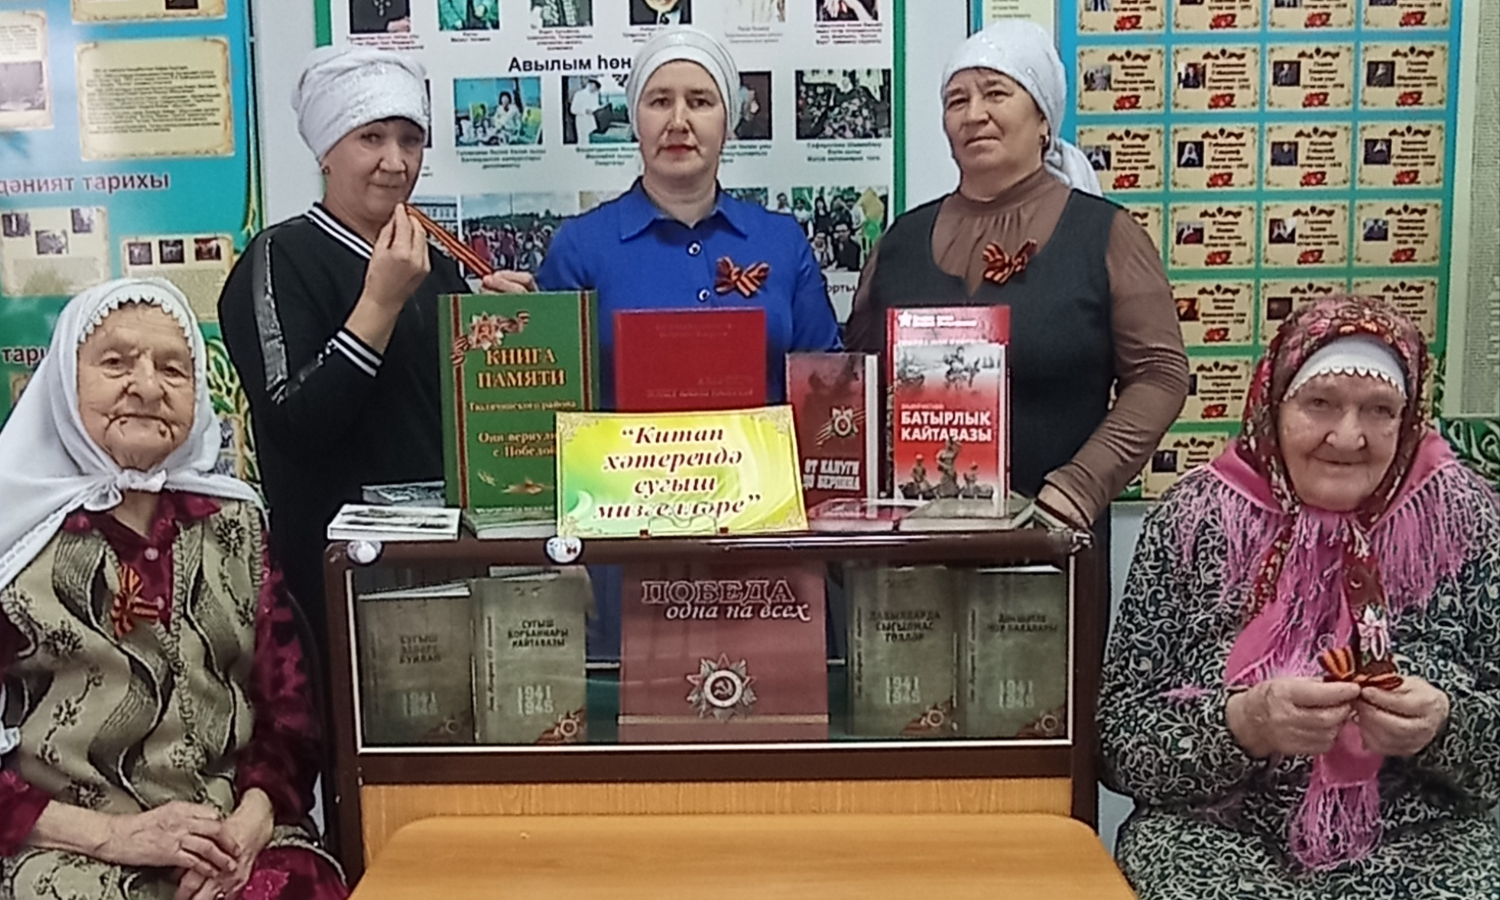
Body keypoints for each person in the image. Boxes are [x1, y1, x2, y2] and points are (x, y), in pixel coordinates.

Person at [0, 278, 345, 899]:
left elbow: (290, 722)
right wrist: (120, 838)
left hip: (225, 838)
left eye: (173, 368)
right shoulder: (6, 543)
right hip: (68, 847)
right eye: (116, 363)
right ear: (65, 383)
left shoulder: (236, 524)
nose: (147, 387)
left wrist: (248, 827)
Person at [1100, 295, 1500, 898]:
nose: (1348, 436)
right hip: (1218, 834)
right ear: (1273, 404)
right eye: (1320, 403)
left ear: (1409, 418)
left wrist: (1443, 726)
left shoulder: (1464, 519)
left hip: (1421, 837)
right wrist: (1244, 724)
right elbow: (1117, 746)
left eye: (1379, 410)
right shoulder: (1193, 520)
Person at [846, 19, 1188, 529]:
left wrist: (1081, 485)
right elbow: (856, 380)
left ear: (1043, 118)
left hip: (1048, 542)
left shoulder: (1105, 234)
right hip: (910, 547)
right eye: (957, 100)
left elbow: (1161, 374)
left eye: (995, 93)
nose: (974, 114)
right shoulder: (899, 241)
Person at [217, 46, 467, 652]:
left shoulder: (436, 268)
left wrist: (505, 323)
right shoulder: (280, 257)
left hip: (446, 564)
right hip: (338, 580)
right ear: (326, 152)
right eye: (370, 137)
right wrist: (379, 303)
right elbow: (294, 425)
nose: (395, 162)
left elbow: (458, 418)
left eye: (411, 140)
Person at [483, 26, 841, 405]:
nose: (678, 121)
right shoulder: (581, 246)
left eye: (700, 101)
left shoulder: (782, 241)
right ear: (636, 120)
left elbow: (827, 386)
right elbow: (548, 394)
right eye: (659, 101)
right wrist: (514, 331)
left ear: (728, 123)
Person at [571, 77, 603, 143]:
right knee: (582, 139)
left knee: (589, 140)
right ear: (589, 84)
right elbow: (573, 109)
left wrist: (595, 109)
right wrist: (584, 111)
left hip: (590, 122)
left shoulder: (594, 95)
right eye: (594, 86)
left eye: (596, 88)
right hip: (581, 121)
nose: (594, 89)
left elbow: (596, 106)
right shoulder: (579, 94)